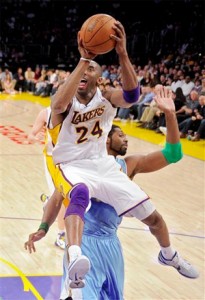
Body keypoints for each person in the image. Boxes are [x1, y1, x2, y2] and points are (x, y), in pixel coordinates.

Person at [26, 21, 198, 291]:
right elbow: (57, 103)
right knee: (79, 193)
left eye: (92, 68)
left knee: (152, 216)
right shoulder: (65, 104)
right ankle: (73, 255)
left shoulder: (107, 102)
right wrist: (85, 58)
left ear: (100, 78)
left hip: (101, 168)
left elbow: (131, 95)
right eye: (81, 68)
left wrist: (122, 53)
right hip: (73, 165)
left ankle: (168, 254)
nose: (85, 70)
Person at [28, 107, 66, 249]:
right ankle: (61, 235)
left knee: (71, 196)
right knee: (62, 198)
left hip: (72, 159)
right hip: (52, 160)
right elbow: (31, 135)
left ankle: (49, 201)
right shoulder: (46, 113)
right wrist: (34, 137)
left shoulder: (78, 111)